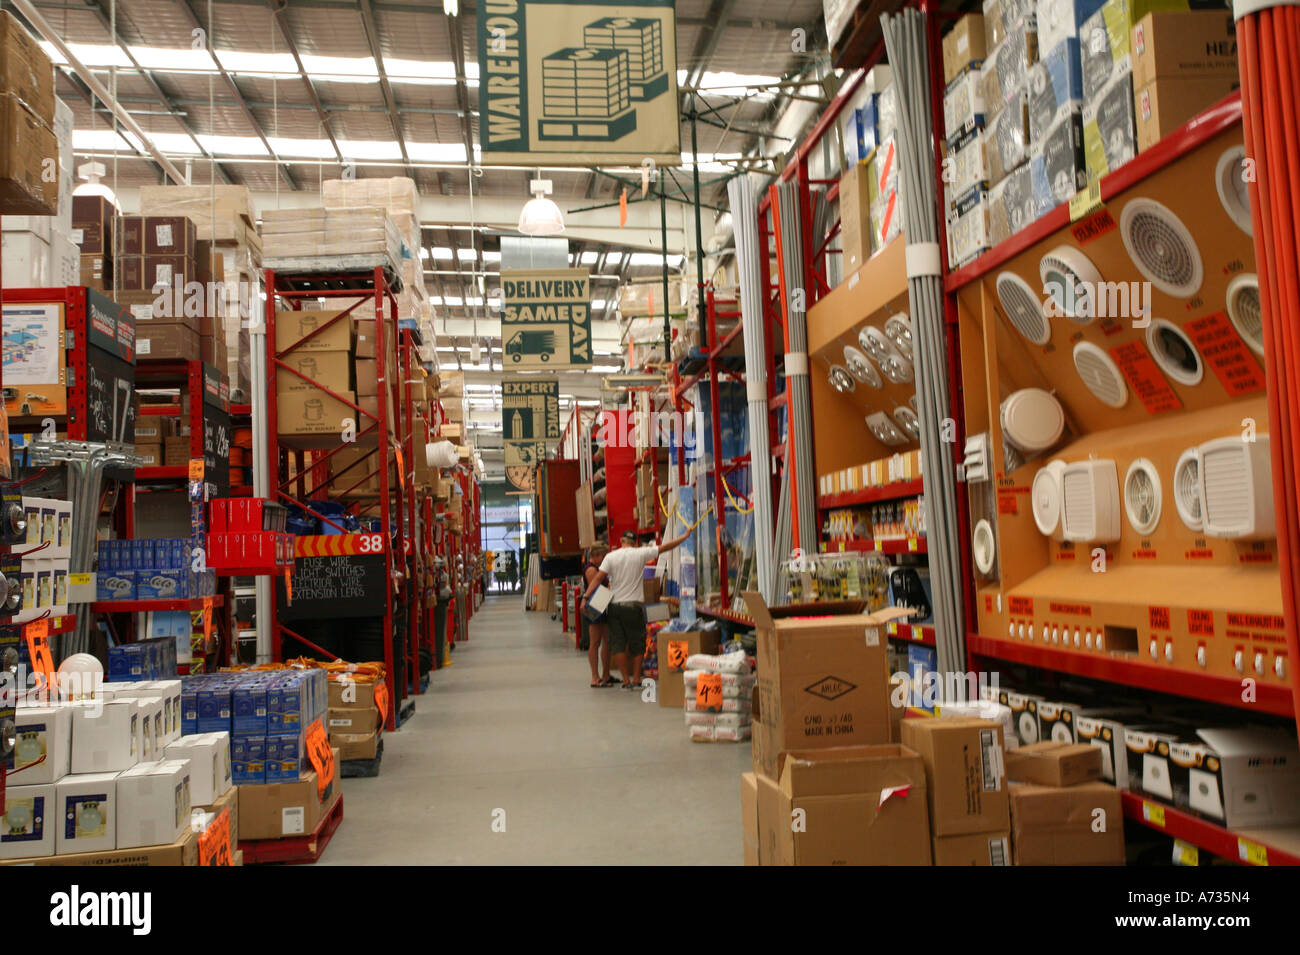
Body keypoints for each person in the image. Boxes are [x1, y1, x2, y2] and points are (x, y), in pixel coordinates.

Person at [583, 528, 690, 689]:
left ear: (621, 541)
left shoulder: (611, 556)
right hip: (634, 606)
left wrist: (585, 598)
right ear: (635, 543)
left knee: (618, 643)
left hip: (615, 606)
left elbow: (598, 578)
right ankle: (636, 679)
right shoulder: (641, 553)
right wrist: (684, 537)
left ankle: (625, 680)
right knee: (637, 643)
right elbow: (665, 547)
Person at [580, 544, 615, 687]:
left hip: (603, 604)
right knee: (595, 642)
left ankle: (606, 674)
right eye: (603, 556)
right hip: (595, 606)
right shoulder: (590, 569)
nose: (605, 559)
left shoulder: (599, 569)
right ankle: (595, 677)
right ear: (596, 556)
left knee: (607, 641)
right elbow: (597, 588)